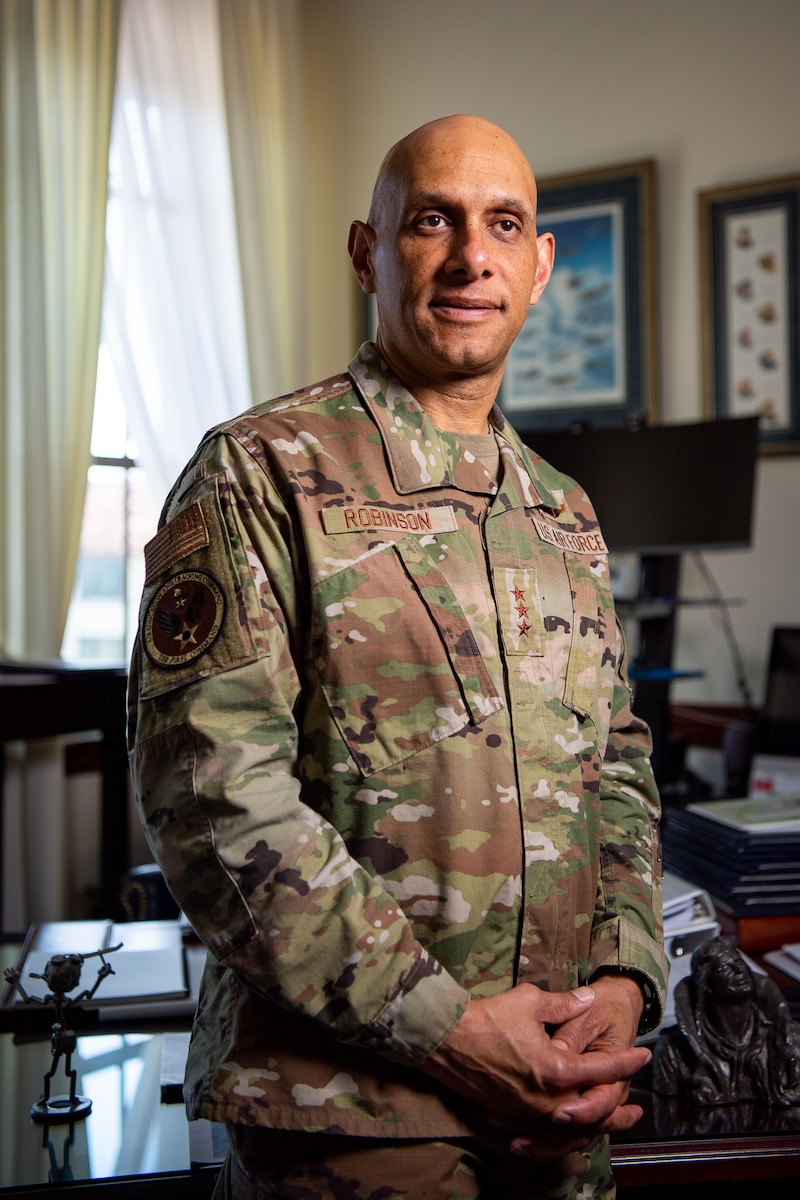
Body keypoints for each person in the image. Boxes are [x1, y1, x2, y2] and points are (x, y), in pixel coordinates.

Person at [127, 114, 668, 1199]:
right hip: (356, 1126)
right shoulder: (257, 473)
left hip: (560, 1113)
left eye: (502, 225)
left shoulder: (562, 513)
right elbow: (216, 802)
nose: (471, 257)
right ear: (368, 253)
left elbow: (613, 769)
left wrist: (621, 980)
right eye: (432, 221)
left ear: (538, 264)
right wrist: (448, 1030)